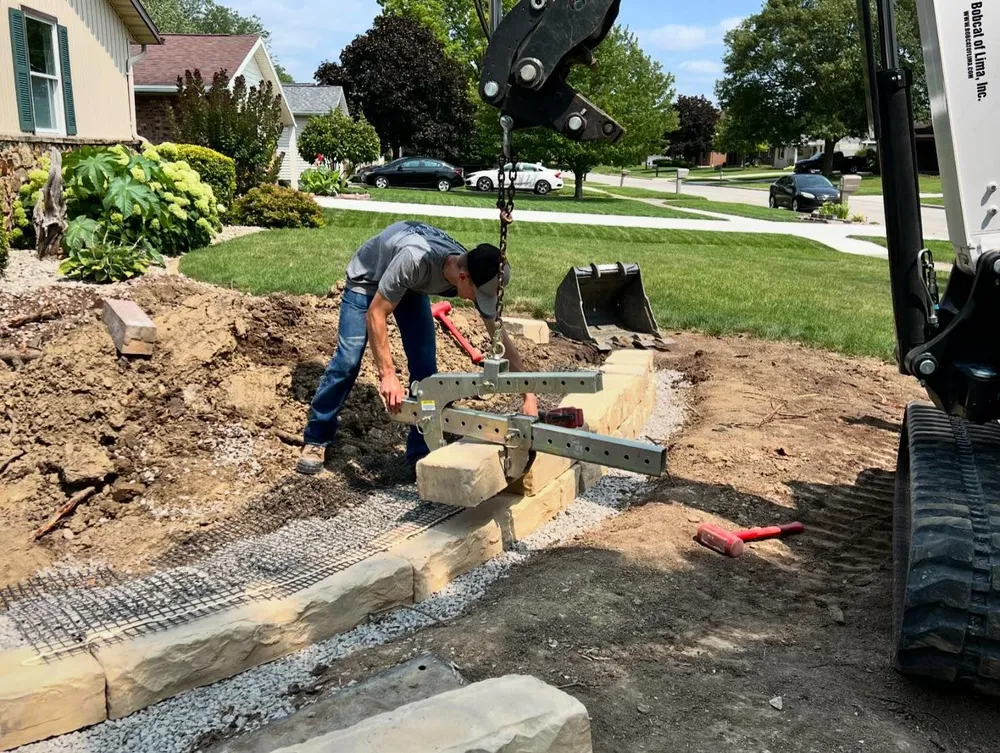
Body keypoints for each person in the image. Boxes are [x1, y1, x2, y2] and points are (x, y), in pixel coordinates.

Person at [298, 220, 538, 476]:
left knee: (426, 371)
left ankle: (419, 452)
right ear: (462, 277)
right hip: (367, 282)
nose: (476, 302)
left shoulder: (467, 267)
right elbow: (375, 314)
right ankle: (317, 438)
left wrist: (528, 395)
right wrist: (387, 374)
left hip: (411, 287)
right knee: (347, 362)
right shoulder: (415, 259)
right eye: (477, 295)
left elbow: (499, 338)